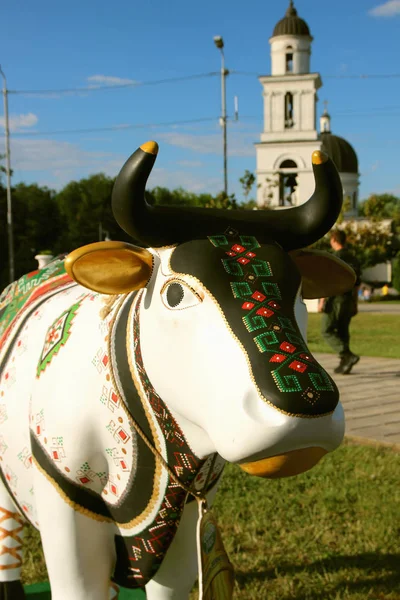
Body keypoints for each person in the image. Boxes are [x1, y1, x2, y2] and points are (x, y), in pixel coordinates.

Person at [318, 230, 361, 375]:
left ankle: (347, 355)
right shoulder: (353, 258)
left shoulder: (334, 258)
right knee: (343, 331)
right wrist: (355, 302)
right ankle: (345, 362)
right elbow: (357, 283)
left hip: (335, 298)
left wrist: (321, 301)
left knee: (326, 330)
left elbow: (327, 281)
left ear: (334, 240)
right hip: (348, 299)